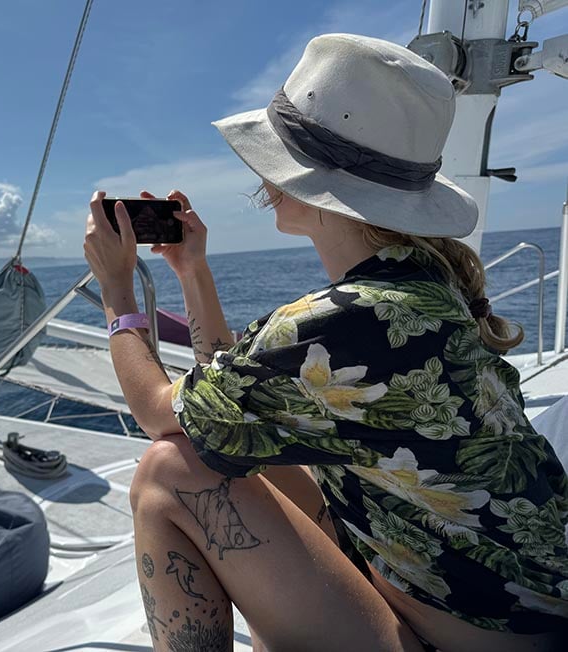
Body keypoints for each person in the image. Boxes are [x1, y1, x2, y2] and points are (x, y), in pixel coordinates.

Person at [83, 34, 568, 652]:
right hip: (509, 607)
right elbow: (228, 408)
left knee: (167, 472)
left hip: (470, 637)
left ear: (314, 183)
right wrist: (192, 271)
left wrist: (118, 293)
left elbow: (159, 415)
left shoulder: (345, 321)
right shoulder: (423, 285)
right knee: (240, 446)